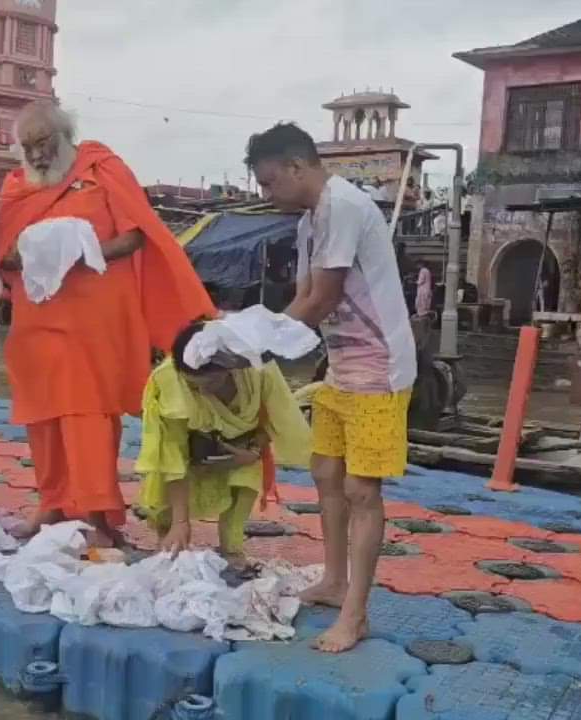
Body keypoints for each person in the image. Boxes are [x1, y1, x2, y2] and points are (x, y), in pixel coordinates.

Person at [0, 101, 214, 547]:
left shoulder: (102, 169)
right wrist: (30, 256)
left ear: (65, 137)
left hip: (95, 318)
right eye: (28, 147)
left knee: (89, 415)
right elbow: (3, 254)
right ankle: (51, 505)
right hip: (38, 320)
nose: (37, 156)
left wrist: (80, 254)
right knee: (43, 415)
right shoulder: (16, 187)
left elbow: (135, 236)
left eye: (45, 144)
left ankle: (98, 516)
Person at [245, 122, 415, 653]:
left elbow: (321, 299)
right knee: (325, 474)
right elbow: (302, 299)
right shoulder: (307, 225)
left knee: (363, 491)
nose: (266, 194)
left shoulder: (343, 205)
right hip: (340, 365)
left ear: (298, 167)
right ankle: (335, 579)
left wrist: (252, 346)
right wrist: (254, 333)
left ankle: (356, 613)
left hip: (379, 366)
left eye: (270, 183)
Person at [135, 322, 310, 570]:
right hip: (191, 451)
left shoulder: (257, 370)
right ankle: (170, 539)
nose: (203, 394)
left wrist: (251, 453)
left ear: (230, 369)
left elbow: (275, 420)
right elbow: (171, 454)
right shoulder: (171, 380)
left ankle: (231, 548)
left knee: (245, 484)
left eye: (210, 385)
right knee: (164, 491)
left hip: (242, 447)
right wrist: (181, 522)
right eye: (195, 387)